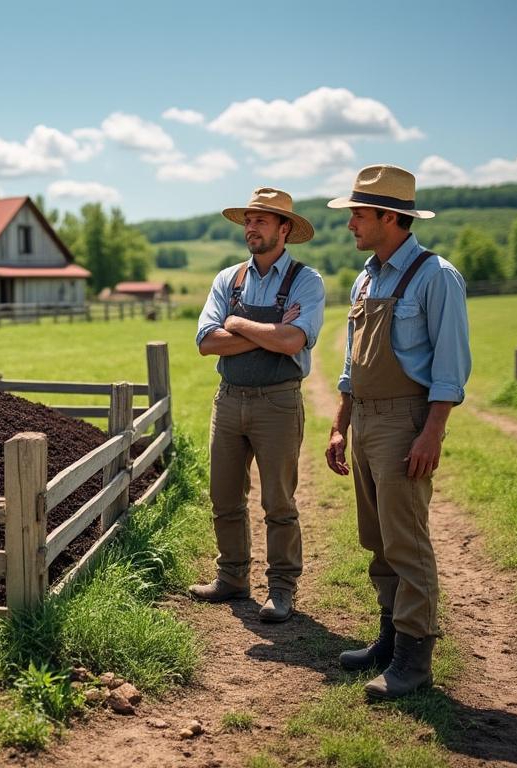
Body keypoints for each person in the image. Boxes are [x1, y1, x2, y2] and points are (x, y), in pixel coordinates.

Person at [324, 164, 471, 699]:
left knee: (406, 542)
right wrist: (341, 424)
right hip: (364, 419)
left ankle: (414, 659)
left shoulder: (437, 277)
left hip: (406, 422)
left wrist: (431, 434)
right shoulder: (367, 276)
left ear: (392, 216)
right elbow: (350, 362)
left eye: (359, 214)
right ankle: (388, 637)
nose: (351, 224)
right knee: (378, 539)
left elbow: (450, 369)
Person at [192, 187, 325, 623]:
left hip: (278, 403)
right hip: (228, 400)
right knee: (224, 496)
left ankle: (282, 589)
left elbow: (293, 341)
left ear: (284, 229)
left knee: (279, 502)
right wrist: (268, 331)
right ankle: (232, 577)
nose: (251, 227)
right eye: (248, 219)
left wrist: (238, 323)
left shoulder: (307, 280)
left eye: (261, 220)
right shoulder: (228, 278)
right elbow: (207, 343)